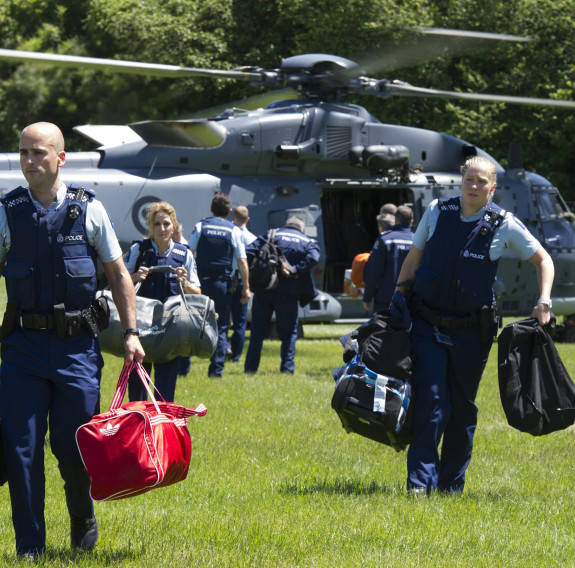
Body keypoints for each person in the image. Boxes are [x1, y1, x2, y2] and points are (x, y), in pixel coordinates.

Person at [0, 122, 145, 560]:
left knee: (73, 445)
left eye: (39, 152)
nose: (30, 160)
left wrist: (132, 333)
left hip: (76, 350)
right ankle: (30, 547)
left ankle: (82, 517)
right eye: (24, 152)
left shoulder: (90, 211)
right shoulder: (7, 211)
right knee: (21, 450)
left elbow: (119, 275)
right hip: (22, 348)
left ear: (60, 158)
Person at [394, 155, 554, 495]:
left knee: (461, 408)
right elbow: (414, 257)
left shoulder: (504, 224)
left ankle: (451, 486)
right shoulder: (438, 210)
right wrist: (398, 295)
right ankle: (419, 485)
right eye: (470, 179)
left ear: (492, 188)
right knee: (431, 402)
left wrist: (544, 301)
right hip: (427, 324)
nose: (475, 186)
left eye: (482, 182)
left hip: (472, 332)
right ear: (461, 180)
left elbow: (544, 259)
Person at [123, 201, 201, 401]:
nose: (162, 229)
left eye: (166, 223)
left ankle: (163, 431)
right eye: (156, 224)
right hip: (141, 327)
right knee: (138, 395)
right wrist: (134, 277)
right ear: (150, 226)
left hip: (170, 329)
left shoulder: (184, 255)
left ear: (174, 225)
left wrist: (184, 282)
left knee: (165, 396)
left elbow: (197, 292)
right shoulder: (138, 250)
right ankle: (140, 431)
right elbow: (119, 283)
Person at [244, 216, 320, 374]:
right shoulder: (307, 241)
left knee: (257, 330)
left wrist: (253, 275)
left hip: (265, 290)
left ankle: (250, 369)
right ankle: (287, 369)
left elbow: (249, 251)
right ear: (301, 228)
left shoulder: (271, 234)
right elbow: (314, 257)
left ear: (287, 225)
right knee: (289, 332)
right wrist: (296, 269)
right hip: (289, 293)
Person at [188, 192, 250, 378]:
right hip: (223, 284)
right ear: (229, 211)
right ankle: (216, 371)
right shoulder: (234, 231)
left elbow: (188, 253)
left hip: (199, 284)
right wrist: (246, 286)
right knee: (221, 326)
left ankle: (183, 368)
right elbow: (242, 261)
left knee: (191, 324)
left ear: (211, 209)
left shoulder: (201, 226)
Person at [362, 205, 414, 313]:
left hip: (386, 300)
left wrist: (367, 297)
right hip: (411, 300)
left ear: (395, 220)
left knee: (382, 329)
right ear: (412, 221)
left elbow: (373, 271)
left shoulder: (385, 240)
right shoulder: (418, 242)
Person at [225, 205, 257, 362]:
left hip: (226, 279)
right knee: (240, 322)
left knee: (222, 318)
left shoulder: (229, 234)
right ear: (248, 219)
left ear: (233, 217)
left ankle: (223, 348)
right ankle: (236, 356)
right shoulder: (253, 239)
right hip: (243, 280)